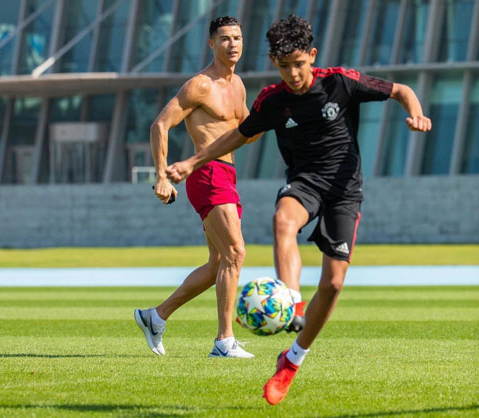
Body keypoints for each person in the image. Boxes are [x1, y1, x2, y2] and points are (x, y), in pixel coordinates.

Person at [166, 15, 432, 403]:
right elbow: (238, 136)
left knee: (335, 284)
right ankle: (291, 301)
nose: (292, 73)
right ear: (275, 62)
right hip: (304, 182)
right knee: (282, 220)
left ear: (312, 56)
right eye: (283, 65)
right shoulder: (273, 101)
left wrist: (417, 112)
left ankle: (291, 361)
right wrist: (192, 162)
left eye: (299, 63)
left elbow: (400, 89)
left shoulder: (340, 82)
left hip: (344, 190)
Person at [134, 16, 260, 359]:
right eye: (224, 38)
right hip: (207, 175)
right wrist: (161, 175)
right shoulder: (200, 86)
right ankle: (224, 342)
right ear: (211, 44)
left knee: (218, 261)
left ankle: (155, 316)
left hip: (228, 175)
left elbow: (249, 130)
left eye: (237, 37)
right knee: (236, 253)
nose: (232, 44)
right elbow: (159, 125)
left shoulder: (239, 87)